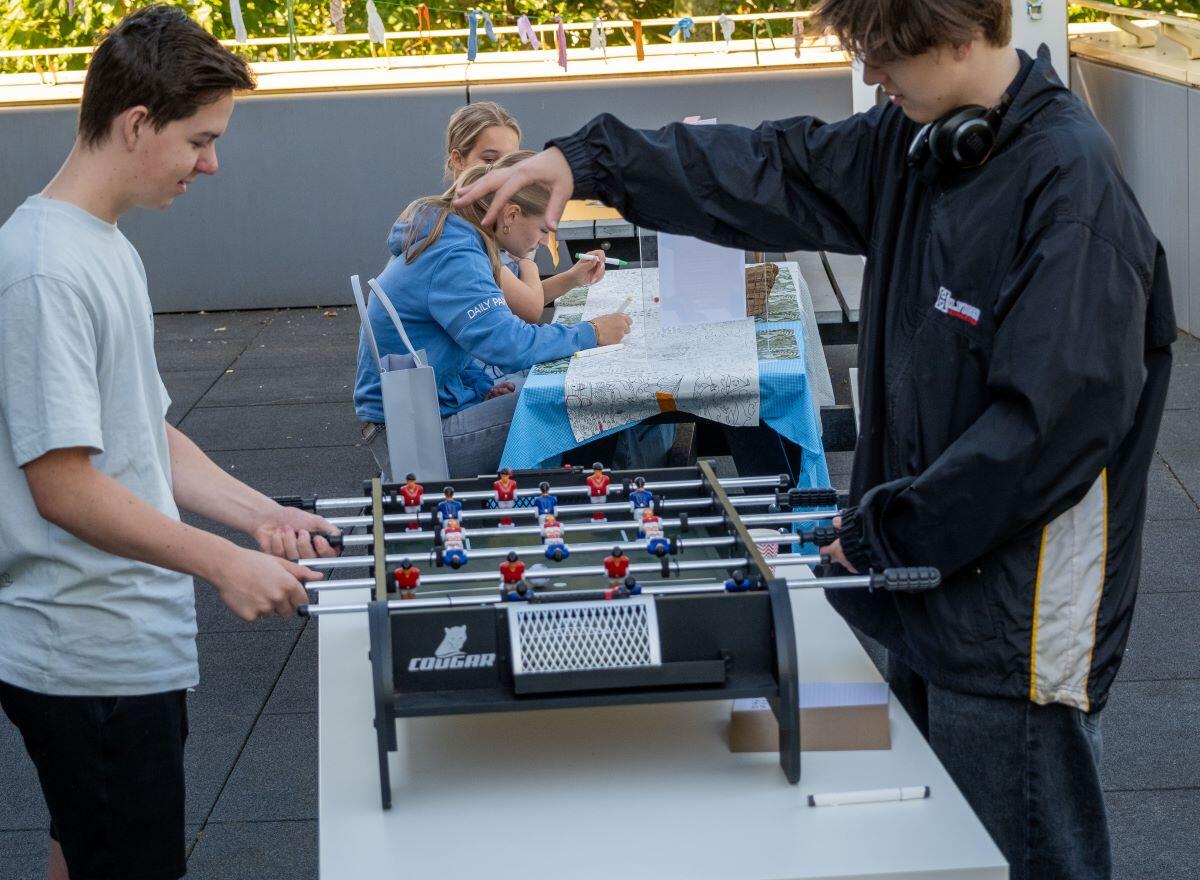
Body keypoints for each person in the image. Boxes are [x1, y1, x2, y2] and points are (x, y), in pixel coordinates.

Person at [454, 1, 1176, 877]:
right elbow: (767, 167)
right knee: (936, 850)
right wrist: (587, 157)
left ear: (955, 33)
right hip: (926, 582)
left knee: (1016, 854)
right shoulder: (917, 143)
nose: (871, 75)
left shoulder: (1070, 191)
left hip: (1013, 626)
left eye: (883, 54)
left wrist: (884, 531)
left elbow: (1046, 434)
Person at [0, 8, 341, 880]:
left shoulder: (101, 244)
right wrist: (224, 565)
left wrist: (262, 518)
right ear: (137, 123)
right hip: (89, 655)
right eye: (200, 139)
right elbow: (64, 486)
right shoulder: (43, 267)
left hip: (118, 644)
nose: (212, 162)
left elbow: (142, 433)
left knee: (84, 849)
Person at [354, 160, 631, 478]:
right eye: (543, 230)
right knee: (579, 401)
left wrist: (481, 387)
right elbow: (511, 345)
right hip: (416, 441)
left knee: (545, 387)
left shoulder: (449, 239)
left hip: (411, 421)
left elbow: (453, 344)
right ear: (511, 215)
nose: (543, 241)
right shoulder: (456, 257)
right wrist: (592, 332)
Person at [443, 104, 608, 320]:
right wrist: (526, 262)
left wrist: (572, 278)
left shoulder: (480, 222)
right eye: (491, 160)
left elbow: (512, 299)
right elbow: (528, 309)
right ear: (458, 159)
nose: (502, 172)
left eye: (510, 162)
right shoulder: (459, 234)